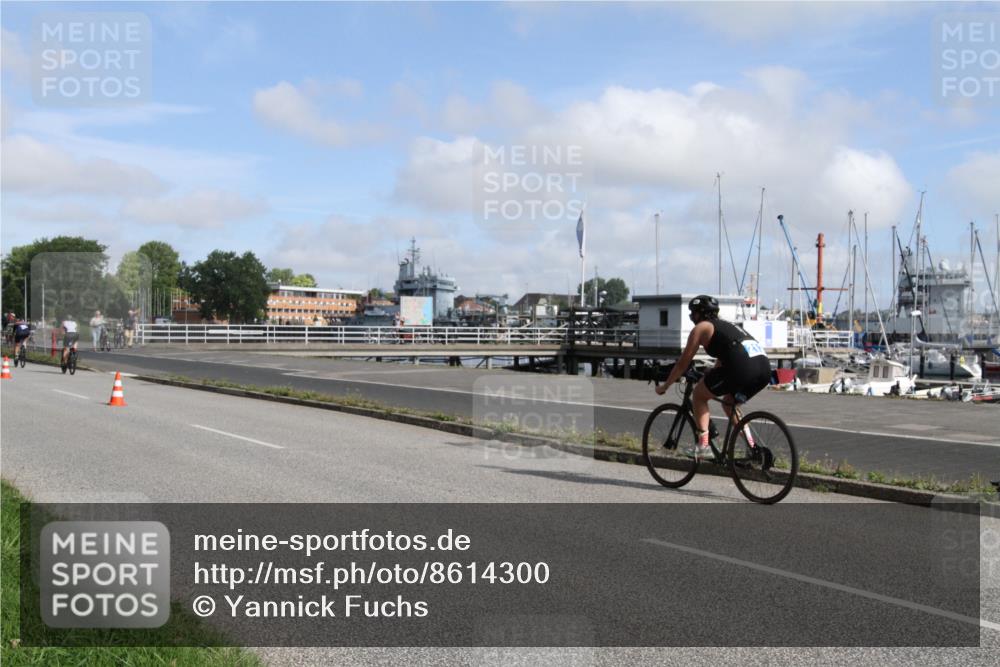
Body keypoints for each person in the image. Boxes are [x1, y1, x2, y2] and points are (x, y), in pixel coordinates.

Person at [654, 295, 771, 459]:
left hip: (742, 367)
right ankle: (754, 449)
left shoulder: (702, 328)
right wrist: (712, 371)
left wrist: (665, 386)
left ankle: (703, 446)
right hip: (764, 368)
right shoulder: (727, 325)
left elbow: (682, 364)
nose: (691, 318)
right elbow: (727, 354)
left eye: (692, 314)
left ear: (699, 314)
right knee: (729, 403)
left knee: (699, 395)